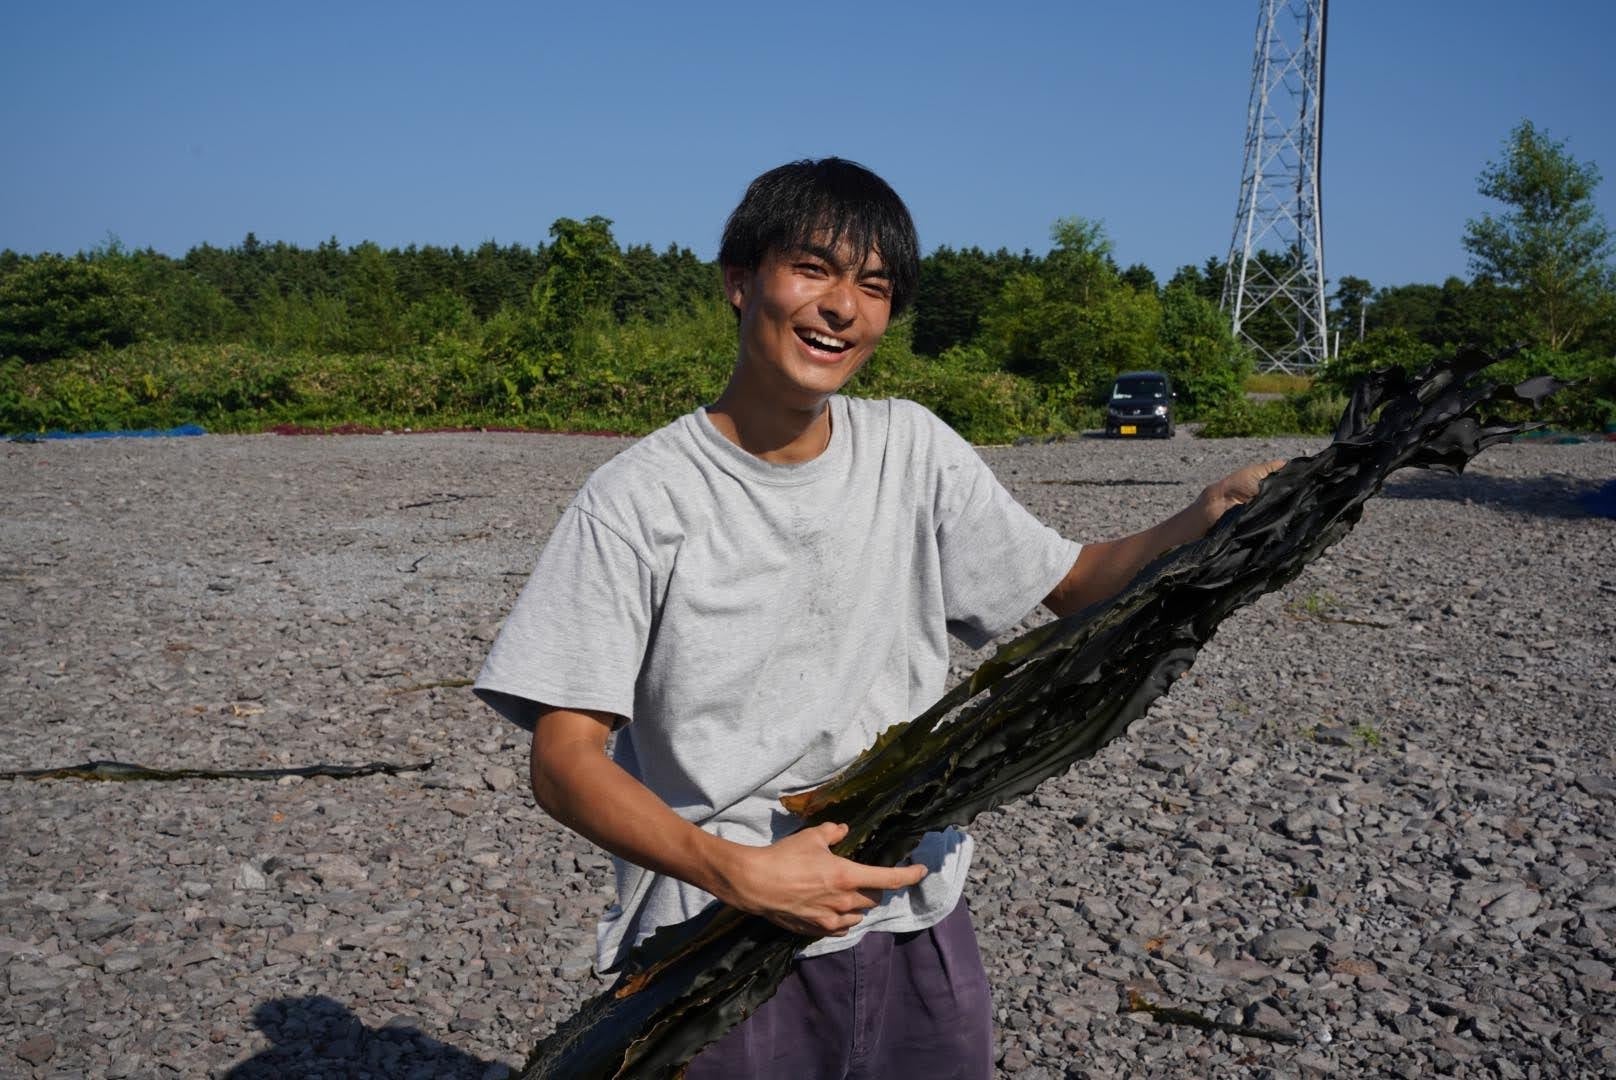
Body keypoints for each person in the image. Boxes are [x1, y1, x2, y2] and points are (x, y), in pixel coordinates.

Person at [474, 157, 1278, 1077]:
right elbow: (563, 760)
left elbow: (1075, 581)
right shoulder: (638, 500)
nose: (842, 307)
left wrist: (1208, 511)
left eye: (874, 285)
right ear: (739, 282)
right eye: (812, 269)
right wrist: (739, 872)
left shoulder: (913, 449)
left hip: (913, 904)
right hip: (717, 929)